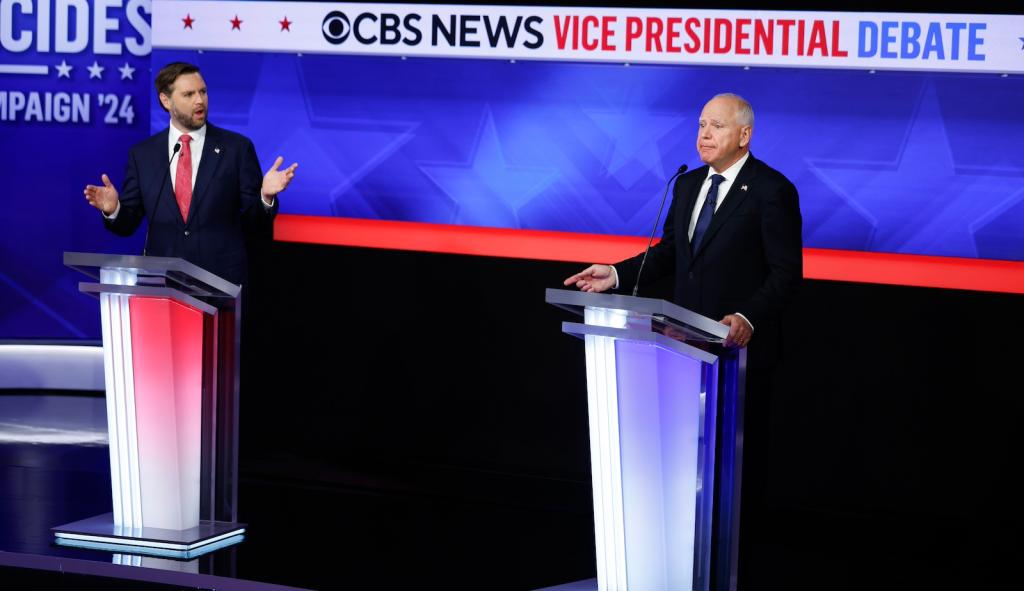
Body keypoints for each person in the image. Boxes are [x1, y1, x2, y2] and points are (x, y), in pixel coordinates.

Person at [564, 92, 802, 589]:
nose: (704, 134)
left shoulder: (771, 191)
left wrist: (746, 316)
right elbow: (671, 253)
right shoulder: (689, 184)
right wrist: (614, 274)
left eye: (716, 126)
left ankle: (734, 573)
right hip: (681, 351)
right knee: (683, 470)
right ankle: (679, 568)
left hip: (737, 358)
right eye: (700, 125)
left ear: (745, 135)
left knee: (734, 480)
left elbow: (785, 275)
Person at [84, 61, 297, 285]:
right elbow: (128, 224)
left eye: (202, 92)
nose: (199, 100)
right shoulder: (143, 155)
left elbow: (255, 224)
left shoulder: (236, 148)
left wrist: (265, 197)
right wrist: (114, 210)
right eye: (188, 94)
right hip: (162, 282)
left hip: (220, 282)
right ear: (166, 101)